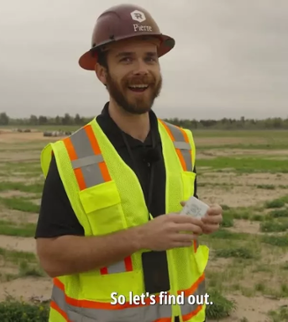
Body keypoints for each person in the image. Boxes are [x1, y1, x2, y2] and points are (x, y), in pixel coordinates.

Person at [35, 4, 223, 322]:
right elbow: (51, 256)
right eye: (126, 59)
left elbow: (175, 207)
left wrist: (202, 217)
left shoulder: (182, 143)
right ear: (102, 73)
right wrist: (139, 238)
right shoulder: (72, 155)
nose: (141, 69)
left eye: (150, 58)